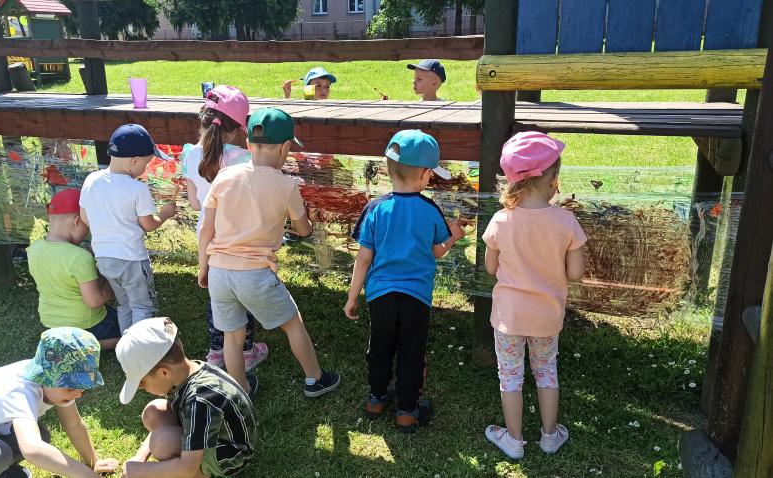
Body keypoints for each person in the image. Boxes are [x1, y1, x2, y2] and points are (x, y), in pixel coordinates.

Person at [198, 107, 340, 397]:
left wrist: (203, 267)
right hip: (254, 274)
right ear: (285, 147)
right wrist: (304, 220)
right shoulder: (286, 184)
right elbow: (303, 229)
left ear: (248, 143)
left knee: (232, 336)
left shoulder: (224, 177)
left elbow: (206, 230)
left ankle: (241, 389)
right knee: (293, 324)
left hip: (219, 272)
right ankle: (315, 379)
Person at [343, 130, 464, 433]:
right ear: (423, 175)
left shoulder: (375, 208)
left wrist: (353, 296)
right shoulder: (430, 210)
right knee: (411, 351)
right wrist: (452, 237)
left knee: (380, 345)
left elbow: (364, 258)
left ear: (388, 169)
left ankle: (376, 399)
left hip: (380, 295)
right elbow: (435, 251)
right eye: (430, 173)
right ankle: (407, 411)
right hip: (416, 298)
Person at [481, 131, 587, 459]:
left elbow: (490, 268)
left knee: (510, 375)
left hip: (509, 317)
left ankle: (513, 440)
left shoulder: (501, 219)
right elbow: (575, 273)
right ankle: (550, 436)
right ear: (553, 179)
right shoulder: (566, 220)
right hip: (546, 316)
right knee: (546, 371)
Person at [0, 328, 118, 478]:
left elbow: (73, 423)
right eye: (71, 387)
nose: (78, 393)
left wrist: (93, 462)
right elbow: (32, 449)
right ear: (46, 377)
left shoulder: (53, 382)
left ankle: (3, 473)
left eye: (83, 386)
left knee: (40, 436)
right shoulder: (20, 391)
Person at [182, 85, 269, 371]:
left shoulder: (190, 155)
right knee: (241, 296)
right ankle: (246, 352)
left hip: (206, 240)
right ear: (238, 129)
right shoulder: (244, 159)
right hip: (236, 240)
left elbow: (195, 203)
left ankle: (216, 352)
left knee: (217, 298)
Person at [117, 318, 256, 478]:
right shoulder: (185, 373)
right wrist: (139, 459)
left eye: (142, 383)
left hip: (231, 454)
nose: (143, 389)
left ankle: (201, 474)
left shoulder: (199, 399)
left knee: (162, 443)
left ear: (164, 373)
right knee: (153, 412)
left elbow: (187, 468)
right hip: (209, 433)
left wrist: (138, 471)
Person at [79, 123, 177, 334]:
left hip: (104, 258)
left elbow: (85, 218)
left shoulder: (92, 180)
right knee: (142, 306)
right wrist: (165, 214)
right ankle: (140, 347)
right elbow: (148, 224)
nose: (145, 169)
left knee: (124, 304)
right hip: (131, 259)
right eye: (146, 163)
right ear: (135, 161)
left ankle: (126, 344)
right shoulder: (137, 188)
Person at [27, 189, 120, 350]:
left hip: (51, 324)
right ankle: (93, 345)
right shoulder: (79, 257)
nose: (88, 232)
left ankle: (69, 344)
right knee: (130, 329)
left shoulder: (33, 249)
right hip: (87, 325)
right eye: (88, 226)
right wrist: (113, 285)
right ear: (78, 221)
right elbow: (94, 301)